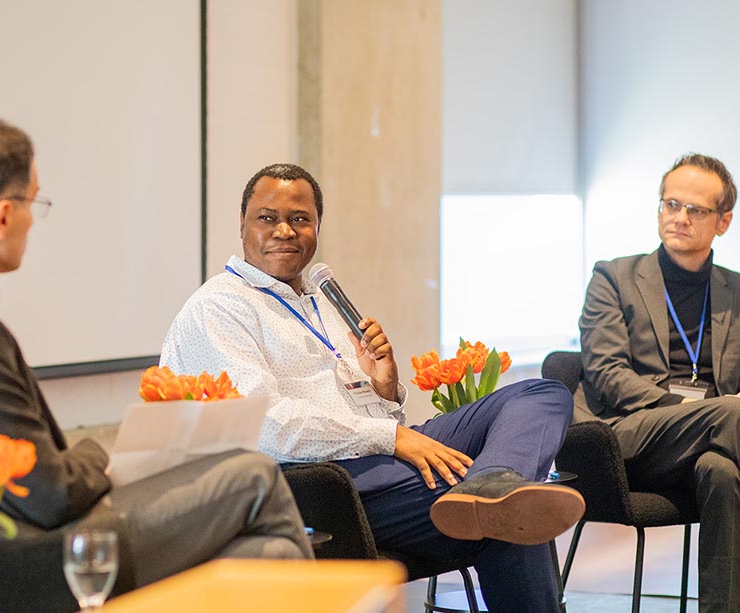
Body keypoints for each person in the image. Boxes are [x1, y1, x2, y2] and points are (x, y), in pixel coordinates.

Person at [160, 162, 586, 612]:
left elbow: (366, 418)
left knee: (541, 394)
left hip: (373, 458)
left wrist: (384, 392)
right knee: (512, 518)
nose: (284, 230)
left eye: (300, 219)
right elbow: (268, 429)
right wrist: (392, 435)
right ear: (242, 226)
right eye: (267, 218)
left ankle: (492, 482)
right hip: (316, 485)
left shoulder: (317, 299)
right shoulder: (219, 309)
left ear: (318, 228)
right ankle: (491, 493)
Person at [0, 118, 313, 600]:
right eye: (34, 204)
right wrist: (103, 452)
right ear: (3, 216)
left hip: (3, 540)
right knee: (254, 475)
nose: (31, 222)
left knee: (266, 554)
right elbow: (48, 495)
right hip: (27, 560)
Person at [578, 153, 740, 612]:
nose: (679, 218)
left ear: (723, 221)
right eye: (671, 204)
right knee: (732, 412)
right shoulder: (614, 277)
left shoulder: (738, 292)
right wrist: (693, 412)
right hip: (631, 436)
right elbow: (608, 375)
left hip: (719, 441)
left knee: (723, 472)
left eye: (695, 210)